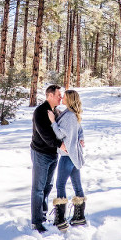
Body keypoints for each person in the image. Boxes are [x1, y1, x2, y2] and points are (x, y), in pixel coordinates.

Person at [48, 89, 86, 229]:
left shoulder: (69, 116)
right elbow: (79, 129)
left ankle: (60, 219)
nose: (62, 97)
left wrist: (53, 121)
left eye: (64, 96)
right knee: (77, 185)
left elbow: (59, 134)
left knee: (60, 185)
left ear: (69, 99)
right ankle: (79, 217)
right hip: (73, 154)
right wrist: (81, 138)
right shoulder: (71, 114)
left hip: (67, 156)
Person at [30, 84, 65, 233]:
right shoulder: (40, 112)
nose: (61, 97)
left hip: (53, 155)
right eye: (58, 95)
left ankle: (43, 215)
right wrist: (60, 145)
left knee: (48, 187)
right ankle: (36, 222)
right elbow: (46, 136)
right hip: (40, 154)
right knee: (38, 189)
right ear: (50, 95)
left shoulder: (56, 112)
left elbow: (62, 130)